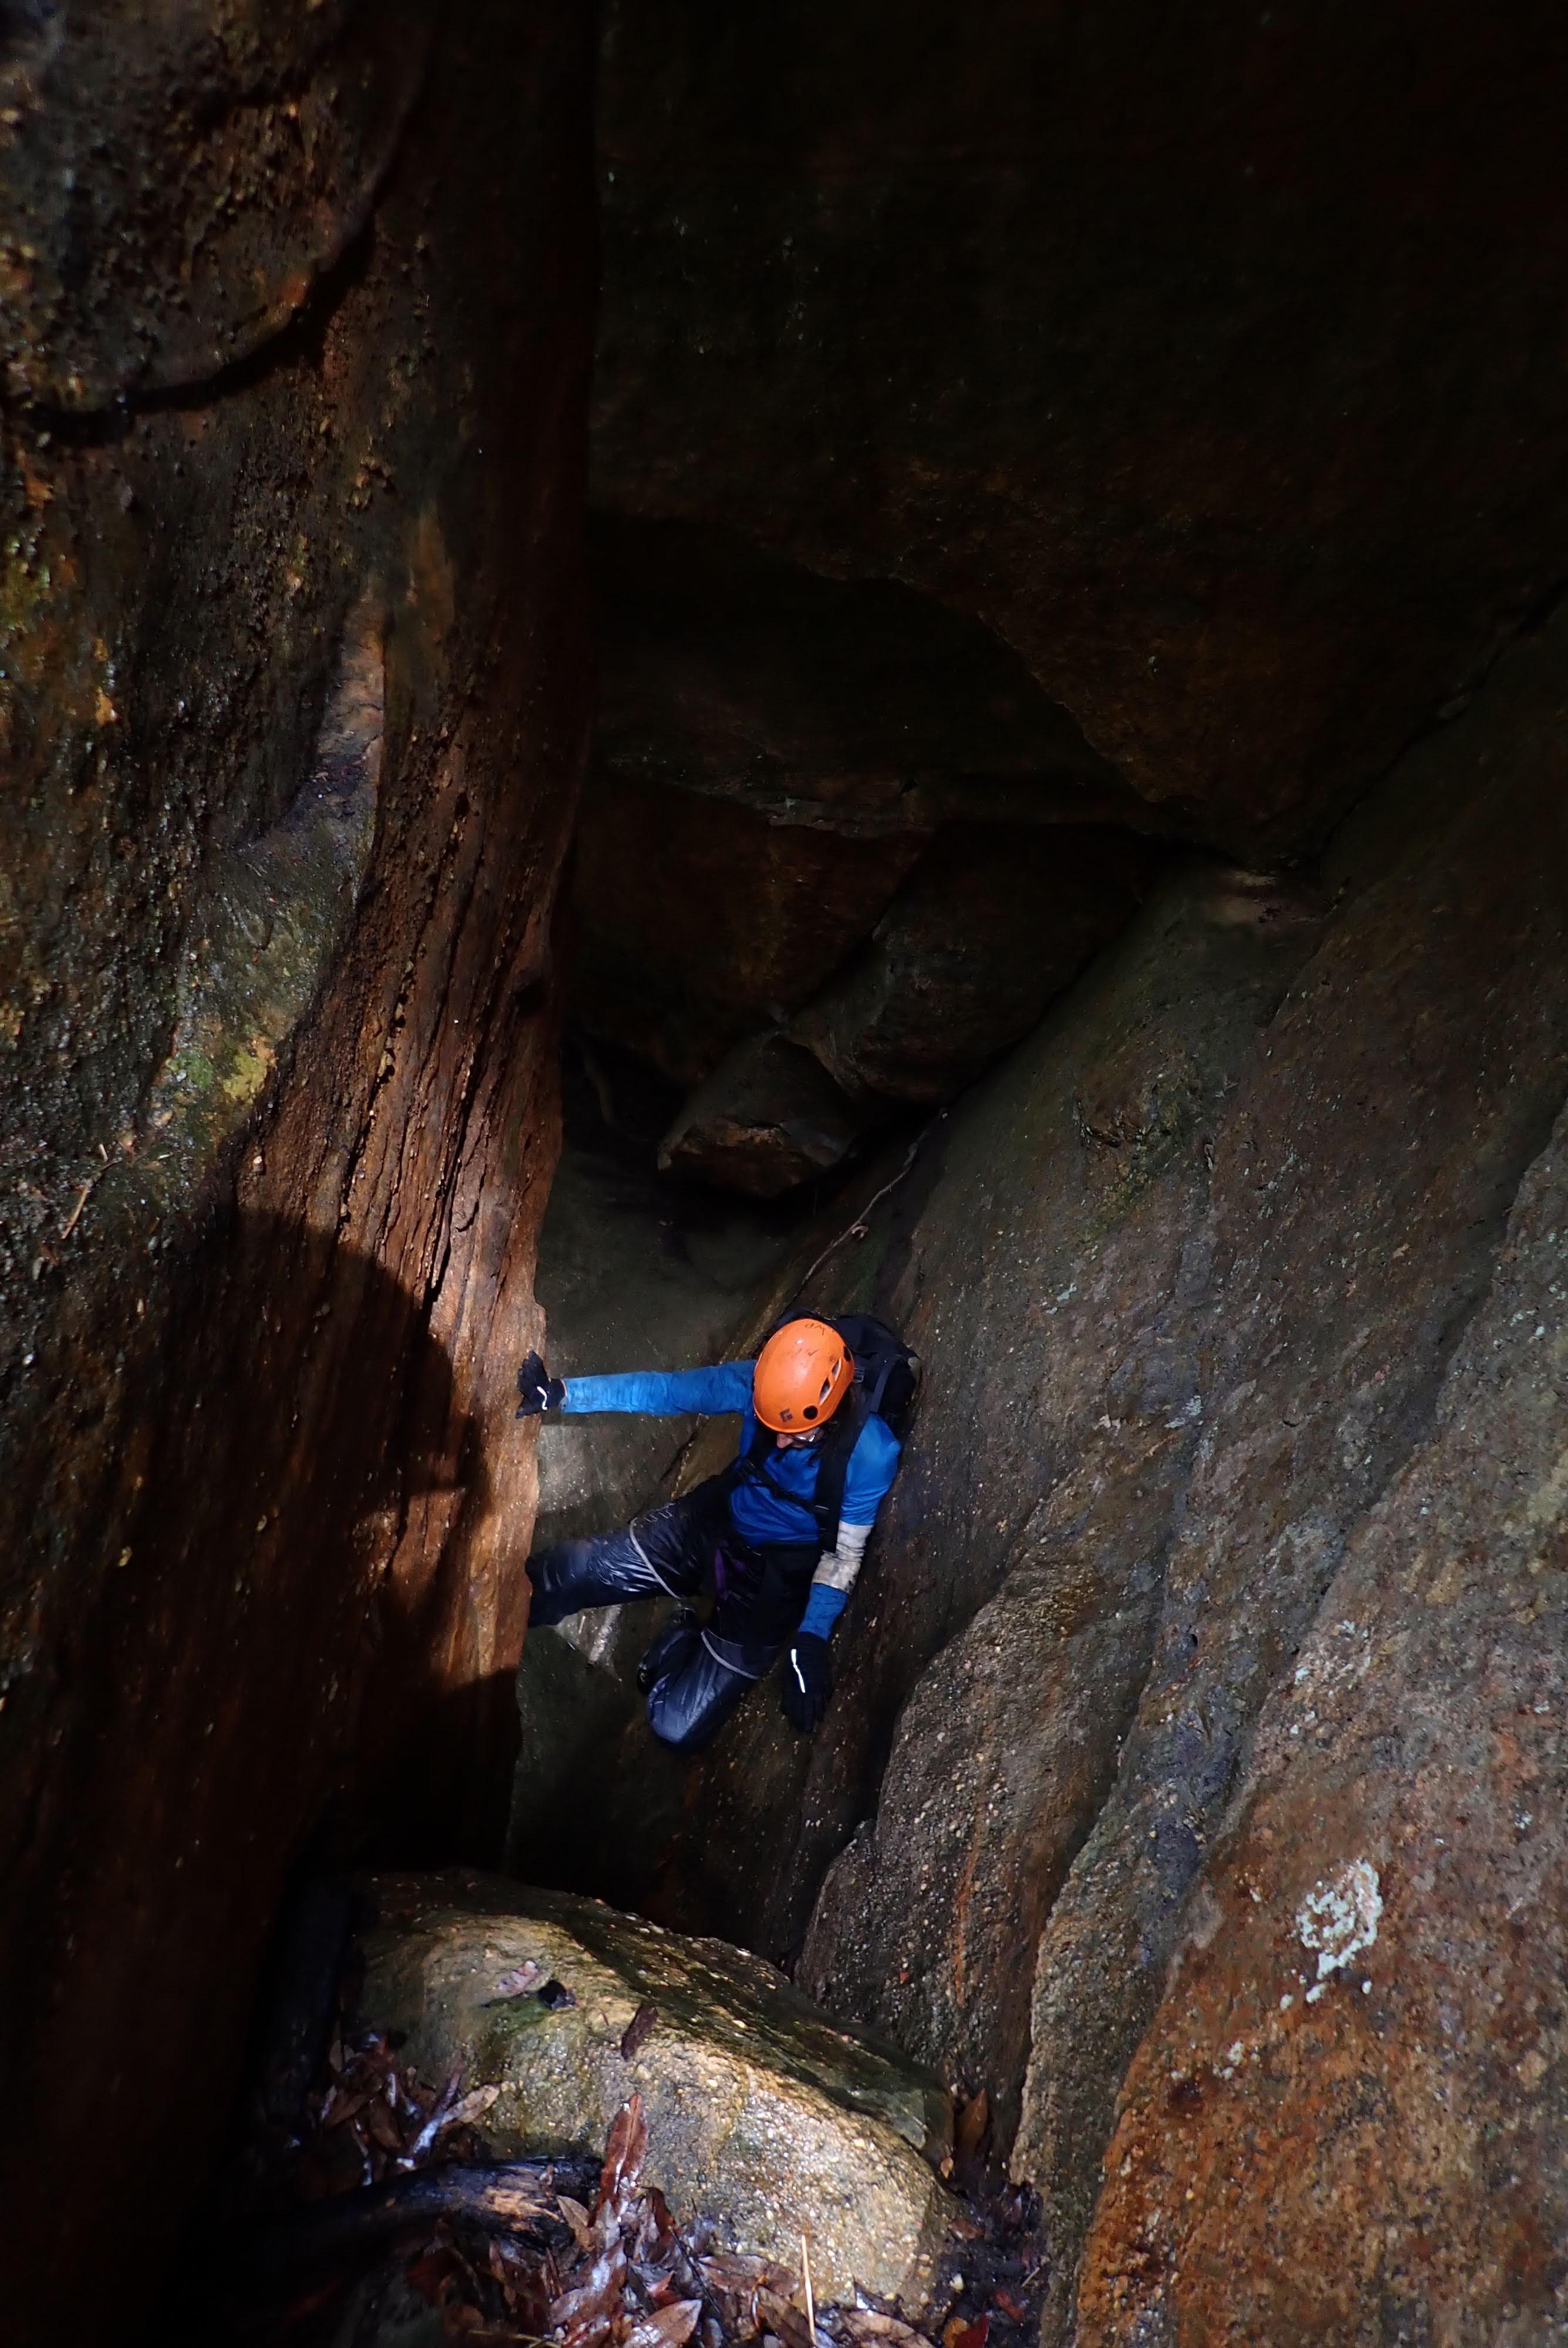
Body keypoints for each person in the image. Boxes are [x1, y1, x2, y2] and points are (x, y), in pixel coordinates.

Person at [515, 1316, 903, 1753]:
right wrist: (563, 1393)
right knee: (567, 1572)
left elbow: (842, 1555)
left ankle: (684, 1634)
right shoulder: (757, 1385)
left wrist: (811, 1638)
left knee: (674, 1726)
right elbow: (668, 1392)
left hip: (772, 1580)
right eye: (773, 1427)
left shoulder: (872, 1456)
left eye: (795, 1435)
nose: (778, 1443)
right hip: (714, 1522)